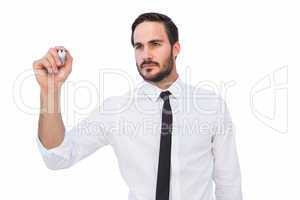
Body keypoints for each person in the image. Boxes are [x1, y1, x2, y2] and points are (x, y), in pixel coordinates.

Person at [33, 12, 243, 200]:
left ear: (175, 48)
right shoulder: (116, 111)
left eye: (155, 44)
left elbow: (228, 185)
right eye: (138, 46)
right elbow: (57, 156)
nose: (146, 55)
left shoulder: (211, 106)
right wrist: (50, 92)